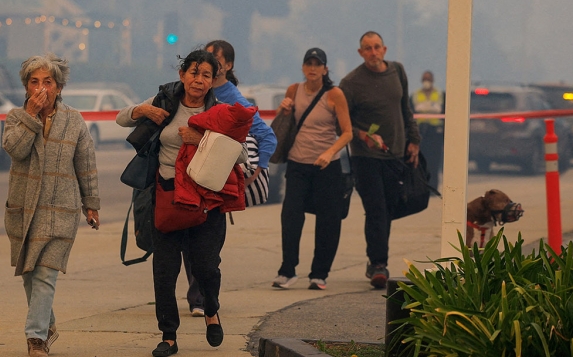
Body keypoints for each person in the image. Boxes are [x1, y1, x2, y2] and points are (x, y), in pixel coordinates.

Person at [116, 49, 248, 357]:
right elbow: (121, 118)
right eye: (193, 73)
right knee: (164, 270)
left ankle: (212, 310)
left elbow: (241, 154)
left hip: (206, 201)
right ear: (182, 75)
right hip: (168, 196)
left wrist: (202, 139)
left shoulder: (222, 110)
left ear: (214, 80)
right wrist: (143, 111)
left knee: (205, 267)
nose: (199, 80)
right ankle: (169, 337)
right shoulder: (164, 100)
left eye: (206, 75)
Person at [2, 53, 101, 357]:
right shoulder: (15, 118)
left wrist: (91, 203)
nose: (41, 88)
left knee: (45, 273)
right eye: (34, 82)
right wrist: (31, 118)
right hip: (24, 208)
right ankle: (47, 324)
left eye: (48, 82)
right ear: (26, 87)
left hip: (60, 210)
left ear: (59, 87)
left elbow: (85, 162)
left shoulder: (74, 120)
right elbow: (15, 150)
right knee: (29, 274)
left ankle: (35, 340)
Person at [171, 39, 277, 317]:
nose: (206, 65)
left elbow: (266, 135)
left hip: (214, 183)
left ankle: (202, 298)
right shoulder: (187, 93)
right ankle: (198, 297)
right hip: (186, 179)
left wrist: (257, 168)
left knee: (207, 244)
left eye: (213, 60)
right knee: (188, 240)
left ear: (226, 66)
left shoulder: (232, 99)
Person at [340, 32, 420, 290]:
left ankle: (377, 259)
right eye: (367, 49)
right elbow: (342, 121)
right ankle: (378, 264)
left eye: (377, 47)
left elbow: (405, 107)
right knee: (376, 209)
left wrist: (414, 140)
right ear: (360, 52)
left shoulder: (397, 71)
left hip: (396, 154)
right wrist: (362, 135)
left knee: (390, 208)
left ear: (384, 49)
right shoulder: (351, 83)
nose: (373, 53)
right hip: (366, 157)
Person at [271, 47, 353, 291]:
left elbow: (347, 132)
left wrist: (329, 152)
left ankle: (319, 274)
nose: (313, 68)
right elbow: (283, 124)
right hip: (298, 163)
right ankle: (287, 271)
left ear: (325, 69)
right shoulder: (293, 90)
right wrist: (283, 110)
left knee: (328, 220)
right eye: (309, 63)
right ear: (303, 67)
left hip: (327, 166)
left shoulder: (334, 94)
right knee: (291, 216)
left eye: (318, 64)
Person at [410, 71, 444, 191]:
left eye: (428, 79)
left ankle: (433, 187)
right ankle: (421, 187)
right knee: (420, 161)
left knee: (434, 162)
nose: (426, 81)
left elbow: (444, 111)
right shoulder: (415, 95)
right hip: (420, 133)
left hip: (435, 133)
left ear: (433, 80)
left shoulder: (440, 94)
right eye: (424, 79)